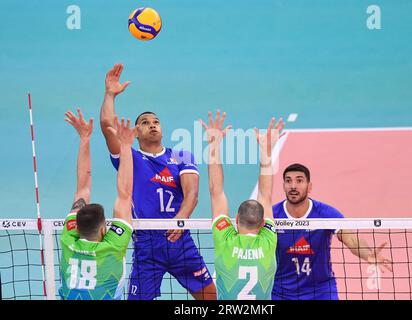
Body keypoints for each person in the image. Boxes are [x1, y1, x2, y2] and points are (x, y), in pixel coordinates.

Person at [100, 64, 216, 300]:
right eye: (144, 122)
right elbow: (107, 126)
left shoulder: (181, 156)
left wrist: (181, 218)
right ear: (135, 132)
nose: (152, 124)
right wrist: (110, 94)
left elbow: (192, 193)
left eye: (156, 121)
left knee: (209, 296)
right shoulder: (130, 157)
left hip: (180, 238)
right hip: (146, 242)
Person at [272, 163, 393, 300]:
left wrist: (368, 254)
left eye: (299, 180)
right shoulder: (272, 215)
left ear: (309, 186)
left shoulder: (326, 213)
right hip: (280, 292)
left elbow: (351, 239)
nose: (293, 186)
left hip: (320, 291)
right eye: (288, 181)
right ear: (283, 186)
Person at [200, 111, 284, 299]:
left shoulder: (225, 239)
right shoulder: (268, 240)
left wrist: (214, 146)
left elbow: (216, 192)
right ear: (263, 223)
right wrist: (266, 153)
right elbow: (266, 196)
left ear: (236, 219)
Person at [59, 109, 135, 300]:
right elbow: (125, 196)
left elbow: (82, 189)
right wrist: (125, 146)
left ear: (77, 226)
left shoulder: (69, 240)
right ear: (103, 230)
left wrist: (84, 138)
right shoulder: (112, 248)